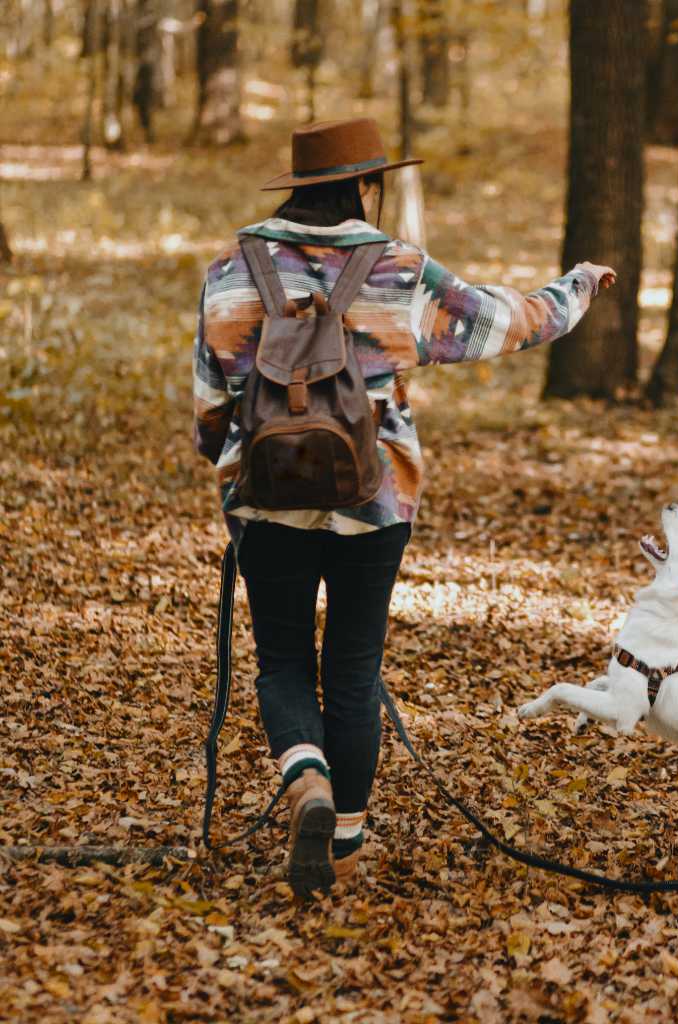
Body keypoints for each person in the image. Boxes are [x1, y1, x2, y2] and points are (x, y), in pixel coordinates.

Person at [192, 117, 615, 898]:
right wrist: (579, 286)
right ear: (364, 185)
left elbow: (211, 405)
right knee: (353, 670)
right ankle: (343, 852)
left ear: (298, 185)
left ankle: (306, 778)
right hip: (375, 502)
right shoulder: (398, 270)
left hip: (265, 503)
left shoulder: (229, 269)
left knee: (282, 660)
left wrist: (234, 472)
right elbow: (503, 322)